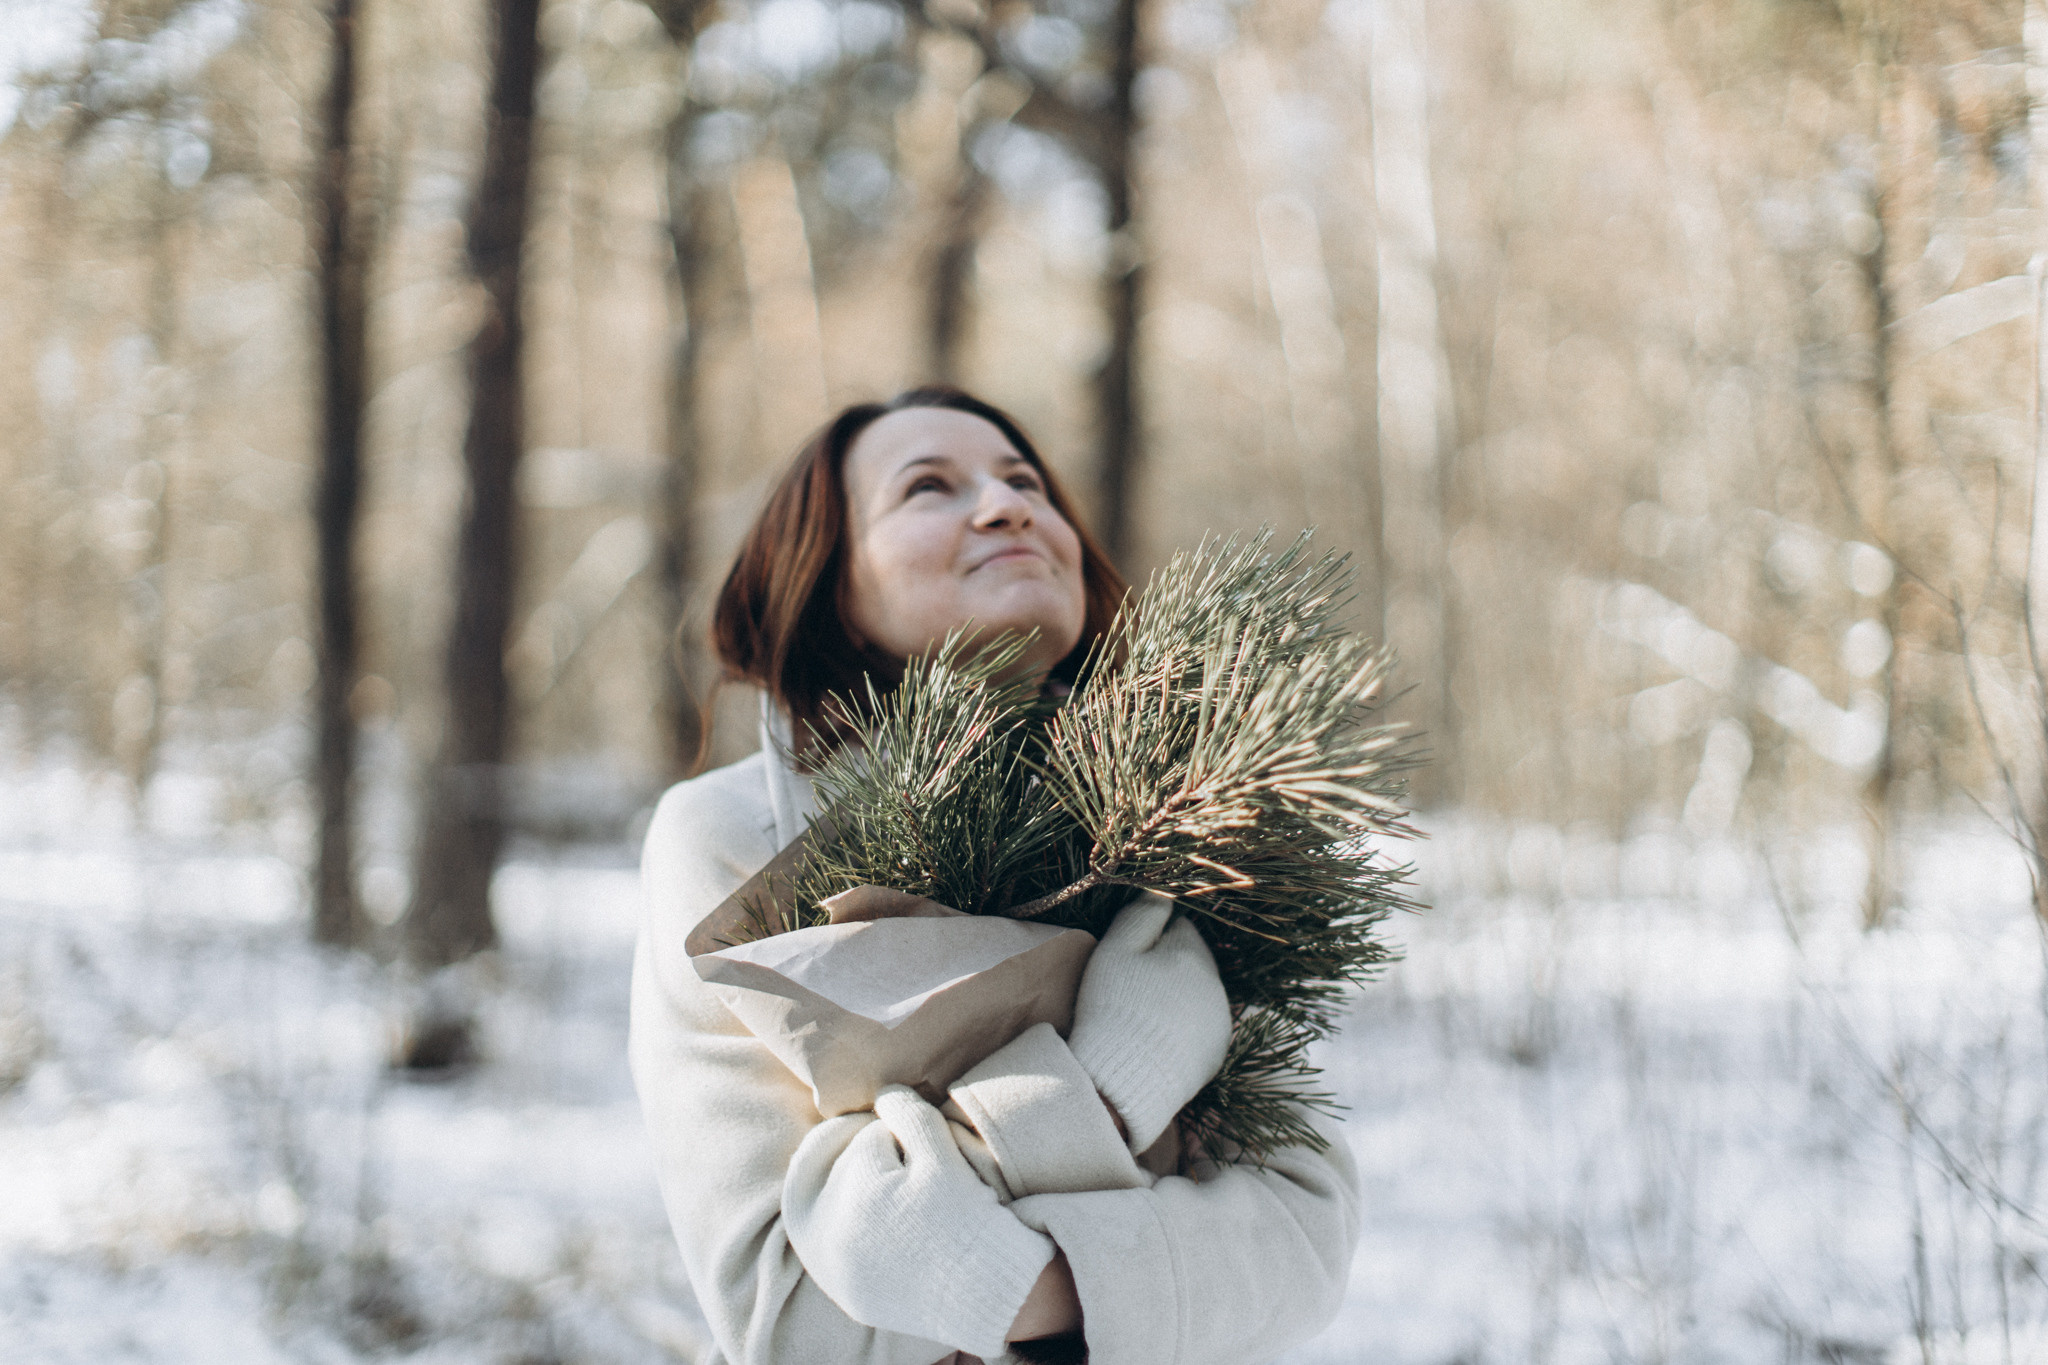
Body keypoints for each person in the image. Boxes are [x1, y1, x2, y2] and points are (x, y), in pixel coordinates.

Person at [629, 387, 1360, 1365]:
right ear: (829, 583)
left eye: (1024, 482)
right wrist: (1118, 1120)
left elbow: (1303, 1244)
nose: (1006, 505)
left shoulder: (1180, 823)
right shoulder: (734, 837)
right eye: (927, 487)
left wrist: (944, 1242)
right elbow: (786, 1312)